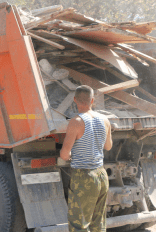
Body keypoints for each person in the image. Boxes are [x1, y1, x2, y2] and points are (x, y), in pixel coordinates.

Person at [60, 85, 113, 232]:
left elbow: (64, 154)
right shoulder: (105, 120)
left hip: (84, 177)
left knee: (79, 224)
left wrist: (69, 155)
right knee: (98, 223)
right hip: (101, 175)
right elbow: (108, 146)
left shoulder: (76, 121)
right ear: (93, 100)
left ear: (75, 100)